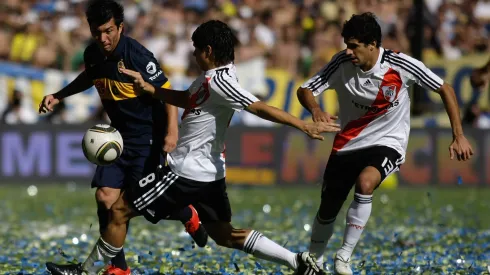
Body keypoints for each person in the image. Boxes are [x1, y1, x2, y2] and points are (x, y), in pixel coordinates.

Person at [45, 19, 341, 275]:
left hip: (184, 172)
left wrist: (303, 124)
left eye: (196, 49)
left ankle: (85, 271)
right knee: (225, 235)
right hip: (211, 175)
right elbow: (188, 99)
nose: (194, 54)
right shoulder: (212, 78)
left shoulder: (222, 82)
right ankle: (297, 261)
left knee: (119, 209)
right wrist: (151, 90)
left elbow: (258, 107)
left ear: (208, 52)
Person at [296, 12, 474, 275]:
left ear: (372, 45)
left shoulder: (400, 64)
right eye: (346, 44)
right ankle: (315, 260)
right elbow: (305, 89)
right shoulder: (341, 63)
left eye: (354, 45)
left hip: (388, 141)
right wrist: (315, 109)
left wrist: (458, 135)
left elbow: (445, 88)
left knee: (365, 183)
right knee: (328, 208)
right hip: (348, 141)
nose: (349, 51)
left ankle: (343, 257)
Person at [39, 1, 207, 274]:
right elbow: (89, 77)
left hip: (148, 140)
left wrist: (171, 134)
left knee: (145, 205)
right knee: (106, 199)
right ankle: (119, 268)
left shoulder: (137, 55)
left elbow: (167, 92)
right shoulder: (93, 53)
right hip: (118, 139)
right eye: (96, 32)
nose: (102, 38)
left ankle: (187, 213)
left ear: (120, 27)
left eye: (108, 31)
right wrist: (59, 96)